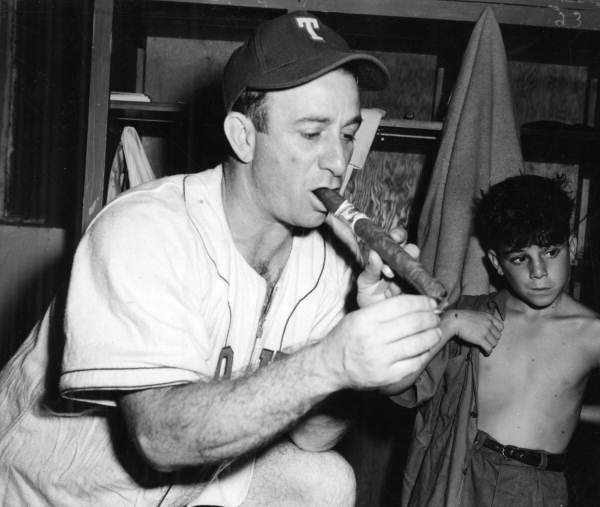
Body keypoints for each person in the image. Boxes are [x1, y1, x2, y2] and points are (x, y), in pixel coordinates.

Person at [0, 11, 455, 506]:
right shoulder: (144, 229)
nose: (339, 162)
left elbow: (312, 438)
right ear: (242, 136)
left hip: (182, 491)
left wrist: (364, 374)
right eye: (311, 133)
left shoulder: (332, 262)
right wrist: (331, 361)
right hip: (47, 493)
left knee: (325, 481)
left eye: (347, 133)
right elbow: (161, 438)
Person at [393, 173, 600, 507]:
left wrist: (577, 412)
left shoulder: (591, 332)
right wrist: (448, 324)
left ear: (571, 247)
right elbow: (395, 386)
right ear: (496, 263)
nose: (538, 272)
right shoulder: (470, 316)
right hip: (458, 476)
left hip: (533, 488)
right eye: (520, 258)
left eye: (550, 252)